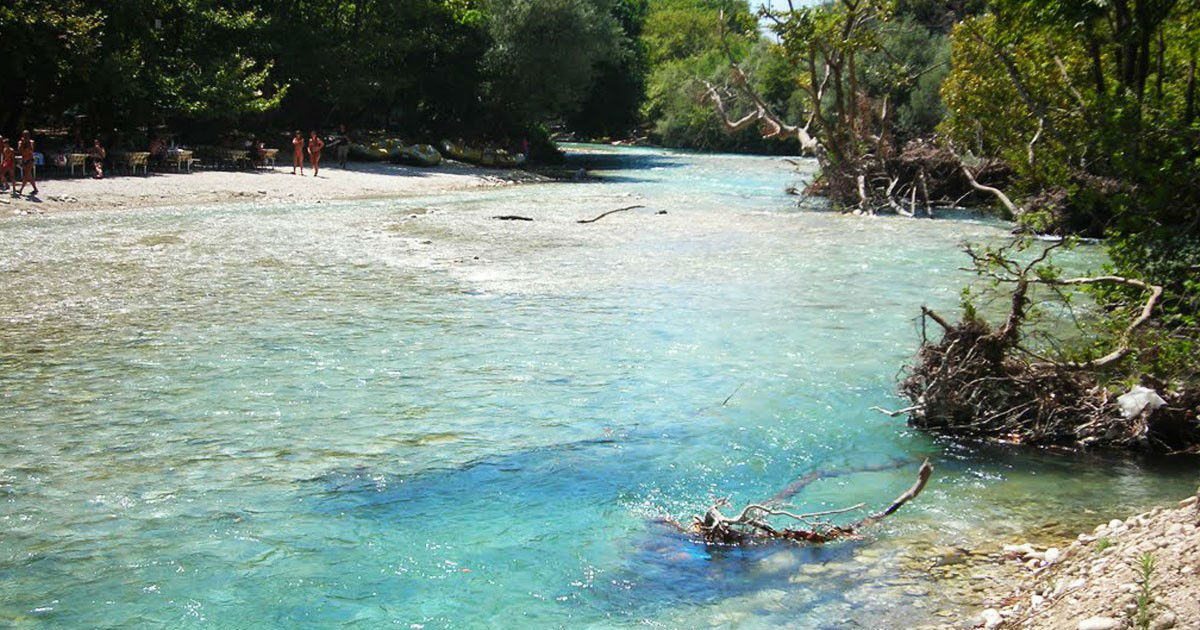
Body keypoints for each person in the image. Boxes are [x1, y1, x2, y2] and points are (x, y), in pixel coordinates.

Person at [17, 130, 38, 197]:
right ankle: (35, 189)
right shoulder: (20, 142)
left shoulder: (31, 142)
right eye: (24, 135)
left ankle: (21, 189)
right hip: (24, 160)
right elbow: (20, 150)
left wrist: (27, 144)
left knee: (26, 175)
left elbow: (31, 150)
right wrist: (23, 143)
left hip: (30, 160)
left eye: (27, 135)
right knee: (29, 175)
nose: (26, 137)